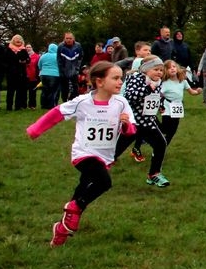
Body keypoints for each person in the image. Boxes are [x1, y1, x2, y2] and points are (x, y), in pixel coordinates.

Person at [26, 61, 136, 246]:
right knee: (104, 183)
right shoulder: (82, 102)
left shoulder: (121, 103)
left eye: (121, 78)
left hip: (105, 156)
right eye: (116, 78)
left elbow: (131, 131)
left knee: (83, 190)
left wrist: (125, 125)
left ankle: (62, 229)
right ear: (99, 82)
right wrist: (35, 130)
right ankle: (74, 208)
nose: (120, 82)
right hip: (83, 154)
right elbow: (57, 113)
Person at [121, 56, 171, 187]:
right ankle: (98, 171)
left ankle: (154, 174)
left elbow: (155, 98)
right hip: (133, 122)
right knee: (116, 150)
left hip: (148, 121)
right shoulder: (136, 78)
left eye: (161, 70)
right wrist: (148, 89)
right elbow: (129, 96)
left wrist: (160, 105)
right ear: (146, 69)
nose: (159, 72)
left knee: (161, 144)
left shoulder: (158, 82)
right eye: (156, 69)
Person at [160, 59, 202, 146]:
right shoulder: (164, 83)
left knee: (173, 130)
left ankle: (162, 146)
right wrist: (159, 105)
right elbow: (159, 95)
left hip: (177, 107)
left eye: (174, 66)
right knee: (165, 128)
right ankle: (152, 133)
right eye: (169, 68)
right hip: (167, 106)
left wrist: (197, 92)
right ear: (165, 71)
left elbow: (191, 92)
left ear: (177, 68)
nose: (172, 69)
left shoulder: (183, 81)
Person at [4, 35, 30, 110]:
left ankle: (17, 106)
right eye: (16, 39)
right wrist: (8, 67)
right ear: (13, 40)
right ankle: (9, 106)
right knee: (10, 90)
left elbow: (28, 60)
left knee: (19, 90)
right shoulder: (8, 50)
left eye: (20, 39)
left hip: (21, 73)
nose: (18, 40)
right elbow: (4, 61)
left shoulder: (23, 50)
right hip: (11, 73)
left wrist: (25, 61)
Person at [57, 32, 84, 102]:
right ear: (64, 39)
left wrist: (77, 68)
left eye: (70, 38)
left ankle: (74, 102)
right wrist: (61, 71)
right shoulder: (60, 46)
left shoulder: (78, 46)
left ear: (73, 39)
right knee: (64, 89)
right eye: (67, 38)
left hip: (74, 71)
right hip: (64, 71)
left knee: (75, 88)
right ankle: (65, 102)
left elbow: (80, 57)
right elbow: (59, 60)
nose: (68, 40)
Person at [37, 43, 60, 109]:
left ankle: (43, 105)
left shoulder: (43, 56)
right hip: (55, 74)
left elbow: (39, 65)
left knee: (45, 90)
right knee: (53, 90)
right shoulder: (57, 56)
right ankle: (51, 105)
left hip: (43, 74)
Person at [25, 43, 40, 109]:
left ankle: (32, 105)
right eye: (27, 47)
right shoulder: (23, 56)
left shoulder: (37, 56)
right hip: (25, 76)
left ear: (32, 48)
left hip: (33, 76)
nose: (28, 48)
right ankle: (24, 105)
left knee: (33, 92)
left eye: (29, 47)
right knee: (24, 91)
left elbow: (38, 66)